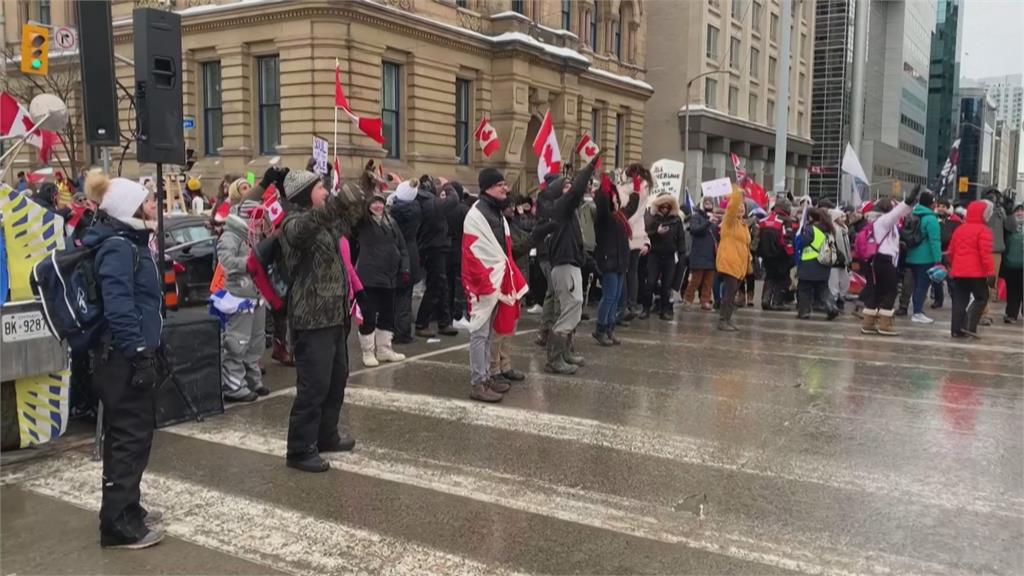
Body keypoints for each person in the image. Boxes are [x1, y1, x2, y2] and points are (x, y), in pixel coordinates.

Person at [83, 172, 164, 549]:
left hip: (126, 354)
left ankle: (127, 506)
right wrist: (138, 352)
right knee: (129, 438)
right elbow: (120, 308)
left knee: (129, 436)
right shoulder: (118, 247)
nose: (154, 204)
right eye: (147, 200)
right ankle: (117, 523)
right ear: (130, 208)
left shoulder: (129, 242)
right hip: (121, 358)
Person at [278, 169, 363, 473]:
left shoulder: (324, 222)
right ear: (304, 194)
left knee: (336, 380)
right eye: (319, 188)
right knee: (313, 386)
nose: (326, 191)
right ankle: (300, 449)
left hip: (334, 315)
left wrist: (359, 195)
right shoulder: (292, 223)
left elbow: (348, 221)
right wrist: (334, 205)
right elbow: (305, 228)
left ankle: (326, 435)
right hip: (312, 318)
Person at [462, 168, 528, 402]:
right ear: (488, 188)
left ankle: (487, 376)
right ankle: (477, 383)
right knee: (480, 334)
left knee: (489, 333)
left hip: (495, 279)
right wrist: (486, 279)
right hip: (483, 282)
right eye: (500, 185)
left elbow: (501, 249)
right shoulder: (477, 215)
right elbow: (474, 252)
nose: (505, 188)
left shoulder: (495, 212)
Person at [543, 158, 598, 374]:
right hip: (564, 265)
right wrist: (589, 168)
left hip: (571, 263)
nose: (570, 189)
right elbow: (575, 193)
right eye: (565, 186)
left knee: (574, 308)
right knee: (570, 308)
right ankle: (554, 358)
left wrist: (590, 264)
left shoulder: (569, 213)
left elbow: (577, 243)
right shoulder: (560, 208)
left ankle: (565, 352)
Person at [217, 199, 271, 402]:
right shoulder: (230, 236)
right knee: (237, 342)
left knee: (256, 342)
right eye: (257, 218)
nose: (260, 223)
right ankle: (233, 384)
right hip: (239, 297)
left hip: (256, 296)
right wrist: (249, 263)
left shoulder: (253, 237)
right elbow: (226, 261)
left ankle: (252, 380)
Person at [353, 187, 409, 367]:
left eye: (381, 202)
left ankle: (384, 349)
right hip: (369, 277)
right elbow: (355, 212)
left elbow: (402, 247)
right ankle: (368, 351)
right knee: (368, 315)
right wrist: (366, 186)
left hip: (389, 277)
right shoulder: (363, 223)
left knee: (387, 314)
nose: (378, 206)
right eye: (374, 203)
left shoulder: (391, 222)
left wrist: (405, 267)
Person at [859, 188, 917, 336]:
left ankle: (868, 323)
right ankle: (884, 324)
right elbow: (896, 214)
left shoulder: (877, 222)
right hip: (885, 260)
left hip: (878, 260)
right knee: (891, 291)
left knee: (878, 291)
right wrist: (908, 201)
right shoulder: (884, 221)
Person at [592, 172, 639, 345]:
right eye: (613, 198)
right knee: (609, 296)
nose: (616, 200)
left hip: (620, 262)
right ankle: (600, 329)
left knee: (617, 295)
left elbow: (632, 207)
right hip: (609, 261)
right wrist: (605, 189)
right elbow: (602, 205)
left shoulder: (620, 217)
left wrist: (636, 189)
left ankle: (610, 328)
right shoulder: (604, 217)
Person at [489, 198, 532, 384]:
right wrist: (534, 238)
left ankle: (505, 365)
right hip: (501, 277)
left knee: (510, 326)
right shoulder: (495, 223)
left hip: (514, 276)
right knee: (499, 327)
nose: (512, 209)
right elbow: (512, 249)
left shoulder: (510, 224)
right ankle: (494, 368)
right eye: (508, 206)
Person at [414, 175, 460, 338]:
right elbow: (453, 200)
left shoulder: (421, 201)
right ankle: (422, 323)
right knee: (436, 285)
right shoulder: (431, 203)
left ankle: (444, 322)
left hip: (432, 247)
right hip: (435, 248)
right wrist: (447, 185)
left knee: (441, 285)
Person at [948, 200, 995, 338]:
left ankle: (956, 329)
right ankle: (968, 326)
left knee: (959, 300)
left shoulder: (960, 229)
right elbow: (985, 254)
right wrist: (990, 272)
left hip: (959, 272)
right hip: (976, 273)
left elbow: (951, 251)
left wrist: (953, 265)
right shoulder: (984, 230)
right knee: (982, 297)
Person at [389, 180, 422, 344]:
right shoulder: (416, 208)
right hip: (412, 253)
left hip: (400, 256)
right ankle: (403, 330)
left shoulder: (396, 213)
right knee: (405, 297)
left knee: (398, 296)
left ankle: (399, 332)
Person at [643, 194, 685, 321]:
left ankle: (664, 310)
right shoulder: (653, 219)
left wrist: (682, 254)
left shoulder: (676, 220)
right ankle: (645, 309)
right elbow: (646, 234)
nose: (665, 209)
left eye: (667, 207)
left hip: (669, 255)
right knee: (650, 282)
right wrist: (657, 232)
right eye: (663, 207)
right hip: (654, 254)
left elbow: (681, 238)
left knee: (667, 285)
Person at [619, 165, 652, 323]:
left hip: (627, 231)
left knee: (624, 272)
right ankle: (631, 304)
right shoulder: (645, 187)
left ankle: (625, 305)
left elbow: (627, 208)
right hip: (638, 233)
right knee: (632, 272)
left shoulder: (630, 189)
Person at [715, 187, 752, 331]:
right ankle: (722, 320)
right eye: (739, 206)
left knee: (732, 293)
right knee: (729, 293)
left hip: (739, 264)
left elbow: (745, 245)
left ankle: (727, 319)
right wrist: (738, 193)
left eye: (743, 206)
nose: (741, 208)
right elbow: (732, 207)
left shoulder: (743, 225)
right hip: (729, 261)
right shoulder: (729, 221)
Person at [904, 191, 942, 324]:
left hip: (911, 256)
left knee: (915, 285)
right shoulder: (931, 219)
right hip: (925, 258)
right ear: (931, 204)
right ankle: (917, 312)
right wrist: (938, 259)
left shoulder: (913, 214)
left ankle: (917, 309)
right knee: (922, 285)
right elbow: (935, 241)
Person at [796, 208, 839, 321]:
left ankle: (804, 311)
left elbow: (802, 242)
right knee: (823, 288)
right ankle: (832, 307)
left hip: (809, 263)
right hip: (824, 263)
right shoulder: (830, 229)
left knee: (804, 288)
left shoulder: (810, 229)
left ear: (811, 217)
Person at [980, 188, 1015, 325]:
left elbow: (1011, 227)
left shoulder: (1001, 211)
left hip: (996, 252)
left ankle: (984, 311)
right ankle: (980, 313)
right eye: (991, 195)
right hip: (983, 250)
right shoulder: (981, 209)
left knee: (991, 284)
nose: (994, 198)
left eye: (996, 195)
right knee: (981, 284)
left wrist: (1009, 212)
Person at [758, 198, 795, 310]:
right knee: (782, 279)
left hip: (766, 256)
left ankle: (765, 299)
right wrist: (791, 255)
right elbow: (787, 239)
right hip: (780, 255)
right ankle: (777, 302)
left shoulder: (764, 220)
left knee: (769, 277)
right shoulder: (786, 220)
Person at [682, 197, 718, 311]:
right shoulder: (696, 217)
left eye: (710, 202)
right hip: (699, 253)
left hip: (711, 254)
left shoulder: (714, 218)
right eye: (706, 202)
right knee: (696, 280)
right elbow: (695, 230)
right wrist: (708, 222)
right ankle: (688, 300)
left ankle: (705, 301)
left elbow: (717, 235)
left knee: (708, 281)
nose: (708, 204)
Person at [444, 182, 471, 322]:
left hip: (445, 250)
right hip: (461, 251)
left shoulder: (442, 208)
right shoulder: (465, 210)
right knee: (460, 284)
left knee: (447, 284)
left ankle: (447, 314)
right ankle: (458, 315)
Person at [931, 199, 962, 309]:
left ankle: (955, 301)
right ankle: (938, 300)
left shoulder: (955, 222)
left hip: (949, 254)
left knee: (951, 280)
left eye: (943, 206)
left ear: (948, 208)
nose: (940, 208)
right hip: (937, 253)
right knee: (936, 279)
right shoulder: (933, 220)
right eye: (939, 206)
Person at [1002, 204, 1024, 323]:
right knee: (1012, 290)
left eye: (1022, 210)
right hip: (1011, 264)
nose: (1020, 213)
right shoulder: (1008, 226)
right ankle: (1011, 314)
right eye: (1017, 211)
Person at [827, 208, 852, 311]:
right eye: (841, 217)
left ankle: (840, 300)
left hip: (843, 261)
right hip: (835, 260)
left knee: (844, 282)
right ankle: (833, 305)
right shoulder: (833, 229)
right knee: (834, 284)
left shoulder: (844, 229)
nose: (843, 219)